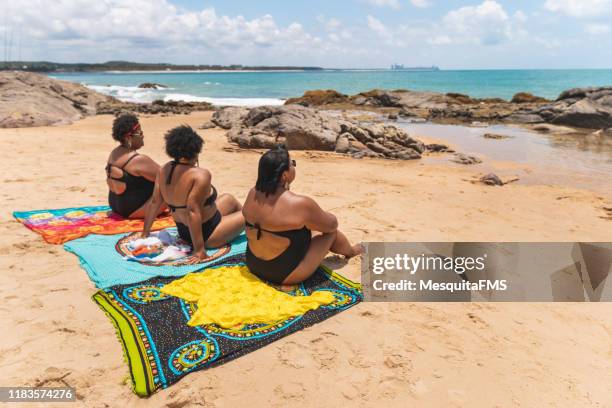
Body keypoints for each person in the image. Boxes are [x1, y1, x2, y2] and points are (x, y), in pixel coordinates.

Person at [242, 145, 363, 285]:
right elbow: (332, 225)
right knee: (331, 233)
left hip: (253, 264)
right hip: (284, 275)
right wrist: (320, 214)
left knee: (302, 228)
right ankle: (352, 251)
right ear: (284, 175)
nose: (294, 166)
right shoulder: (299, 204)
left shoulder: (253, 194)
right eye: (292, 163)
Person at [142, 125, 244, 260]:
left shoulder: (164, 170)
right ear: (195, 150)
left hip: (184, 232)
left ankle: (240, 228)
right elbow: (192, 211)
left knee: (229, 199)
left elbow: (155, 201)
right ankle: (249, 230)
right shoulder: (200, 175)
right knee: (251, 213)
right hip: (207, 234)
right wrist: (199, 250)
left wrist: (145, 233)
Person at [105, 113, 163, 218]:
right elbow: (169, 178)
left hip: (115, 206)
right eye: (140, 133)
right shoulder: (138, 160)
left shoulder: (114, 153)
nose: (142, 135)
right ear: (128, 137)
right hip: (134, 210)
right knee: (170, 185)